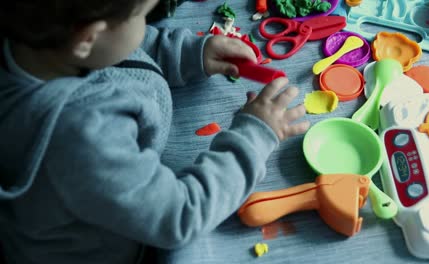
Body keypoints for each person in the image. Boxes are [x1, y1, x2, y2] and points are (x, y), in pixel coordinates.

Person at [0, 0, 310, 263]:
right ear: (87, 37)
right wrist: (254, 137)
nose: (145, 24)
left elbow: (124, 46)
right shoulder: (83, 137)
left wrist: (186, 53)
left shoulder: (38, 44)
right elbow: (180, 215)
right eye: (141, 15)